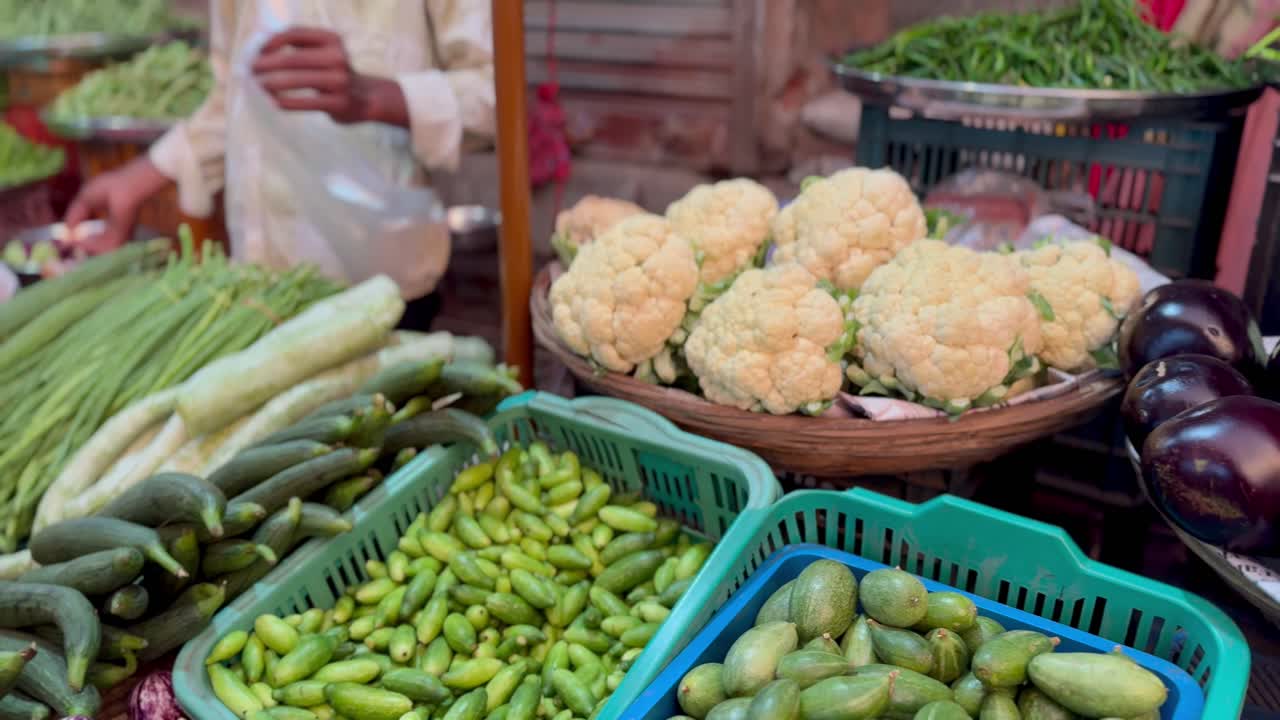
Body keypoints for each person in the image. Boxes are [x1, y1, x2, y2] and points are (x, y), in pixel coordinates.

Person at [65, 1, 496, 328]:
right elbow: (235, 95)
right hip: (258, 291)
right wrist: (140, 177)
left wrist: (373, 96)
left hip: (378, 294)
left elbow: (496, 97)